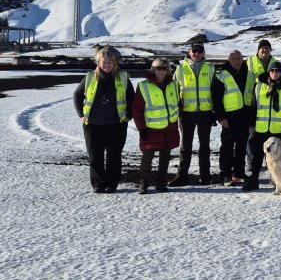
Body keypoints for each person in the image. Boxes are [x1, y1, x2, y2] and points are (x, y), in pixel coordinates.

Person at [73, 47, 134, 193]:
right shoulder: (89, 78)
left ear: (114, 63)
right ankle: (98, 184)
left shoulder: (123, 77)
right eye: (103, 62)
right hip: (93, 124)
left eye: (109, 62)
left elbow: (132, 98)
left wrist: (128, 117)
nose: (106, 65)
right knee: (95, 156)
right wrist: (81, 115)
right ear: (99, 63)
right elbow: (77, 95)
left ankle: (111, 184)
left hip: (116, 124)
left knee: (114, 156)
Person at [169, 42, 215, 187]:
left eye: (199, 51)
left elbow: (215, 90)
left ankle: (205, 177)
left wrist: (214, 111)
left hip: (205, 112)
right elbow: (174, 90)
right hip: (186, 113)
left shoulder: (210, 68)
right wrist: (177, 110)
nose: (196, 53)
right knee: (185, 146)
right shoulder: (181, 69)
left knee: (205, 146)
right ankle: (182, 177)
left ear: (203, 52)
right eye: (194, 50)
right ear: (189, 52)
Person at [243, 60, 281, 191]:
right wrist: (251, 124)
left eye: (277, 71)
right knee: (257, 156)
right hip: (261, 128)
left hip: (279, 129)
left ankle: (279, 182)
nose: (274, 73)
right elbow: (253, 106)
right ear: (268, 72)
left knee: (280, 158)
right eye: (272, 70)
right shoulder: (259, 85)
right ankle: (254, 180)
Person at [132, 58, 179, 194]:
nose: (162, 72)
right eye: (159, 68)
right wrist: (141, 128)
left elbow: (176, 103)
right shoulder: (143, 86)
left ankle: (161, 183)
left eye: (165, 69)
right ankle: (143, 184)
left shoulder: (173, 84)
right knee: (147, 158)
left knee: (165, 158)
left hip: (169, 127)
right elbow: (137, 109)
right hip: (151, 128)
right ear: (153, 69)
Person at [212, 50, 252, 186]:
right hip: (229, 117)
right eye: (233, 58)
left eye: (239, 58)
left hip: (245, 115)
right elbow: (216, 98)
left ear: (242, 59)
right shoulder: (221, 75)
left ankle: (239, 172)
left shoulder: (249, 73)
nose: (236, 61)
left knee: (242, 146)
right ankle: (225, 174)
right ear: (229, 60)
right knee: (227, 147)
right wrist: (221, 117)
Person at [243, 39, 278, 169]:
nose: (265, 50)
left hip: (268, 103)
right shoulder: (249, 62)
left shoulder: (275, 62)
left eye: (268, 48)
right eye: (262, 48)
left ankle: (268, 162)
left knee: (267, 134)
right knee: (252, 134)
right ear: (258, 50)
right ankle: (251, 162)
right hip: (251, 101)